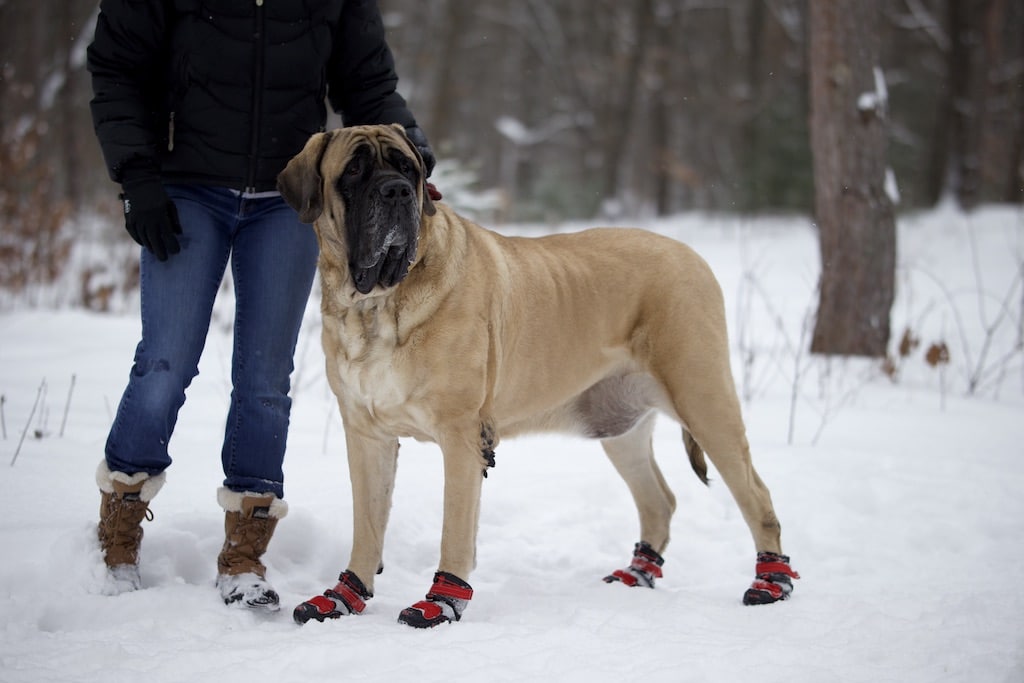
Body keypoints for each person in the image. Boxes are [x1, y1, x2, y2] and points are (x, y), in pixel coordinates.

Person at [86, 0, 434, 611]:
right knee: (165, 361)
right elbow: (118, 68)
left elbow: (366, 83)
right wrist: (137, 176)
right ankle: (121, 518)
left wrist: (408, 146)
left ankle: (245, 551)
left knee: (266, 378)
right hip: (185, 187)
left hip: (286, 197)